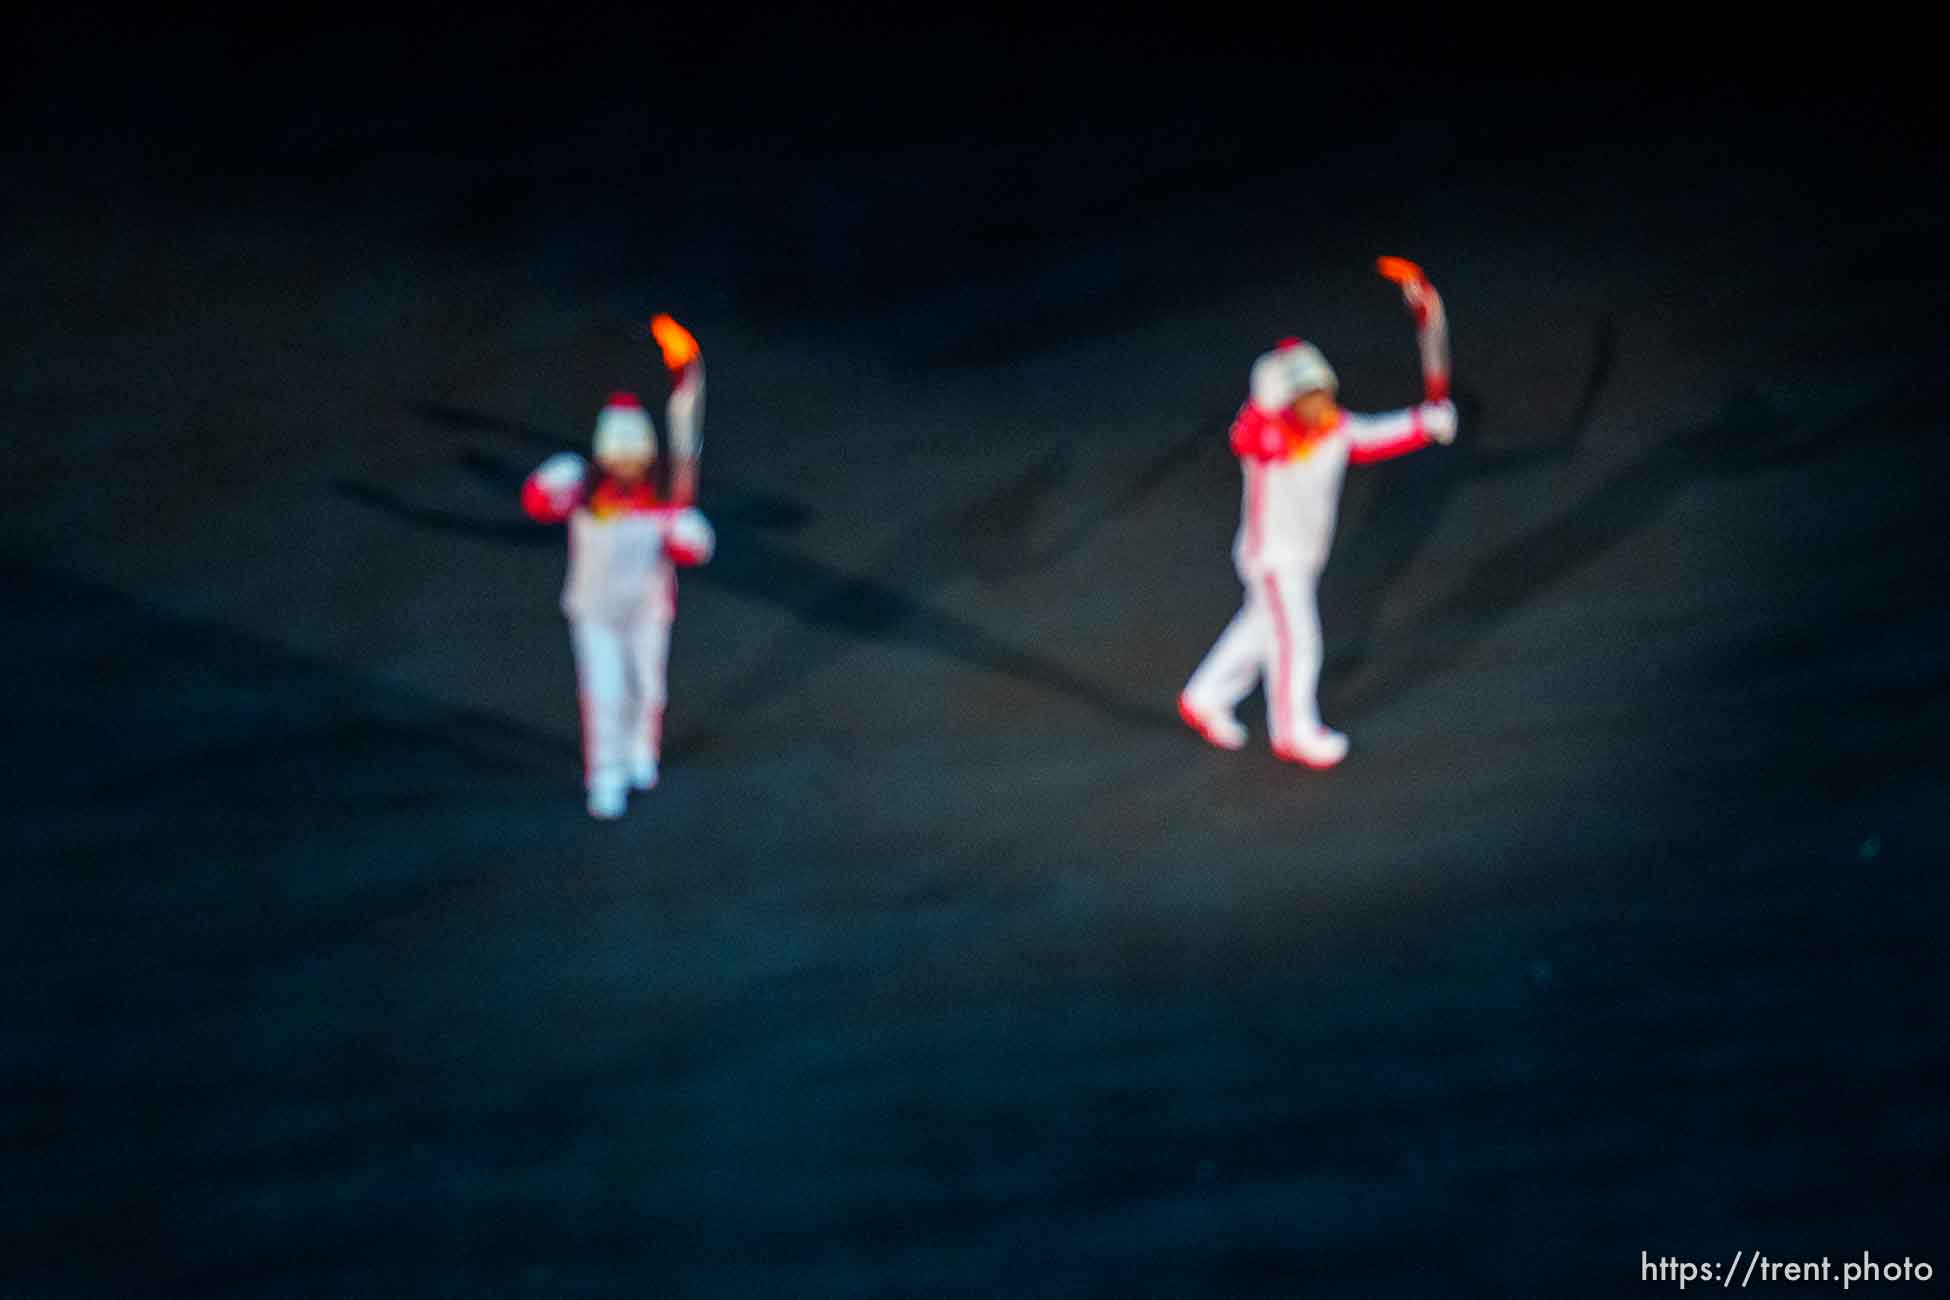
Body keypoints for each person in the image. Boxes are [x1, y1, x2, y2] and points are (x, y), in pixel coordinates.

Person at [1178, 337, 1457, 768]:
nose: (1320, 402)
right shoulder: (1261, 434)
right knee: (1298, 641)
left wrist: (1426, 422)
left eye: (1323, 392)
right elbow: (1250, 434)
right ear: (1285, 400)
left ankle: (1204, 696)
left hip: (1302, 558)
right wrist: (1274, 387)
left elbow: (1376, 434)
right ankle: (1292, 731)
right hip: (1273, 559)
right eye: (1308, 396)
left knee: (1258, 631)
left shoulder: (1336, 431)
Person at [523, 392, 716, 819]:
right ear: (606, 455)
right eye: (619, 455)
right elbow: (536, 506)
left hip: (647, 610)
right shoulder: (584, 492)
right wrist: (546, 480)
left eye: (635, 456)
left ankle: (640, 750)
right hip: (594, 612)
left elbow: (691, 553)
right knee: (605, 694)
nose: (627, 464)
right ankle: (605, 776)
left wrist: (694, 535)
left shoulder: (663, 496)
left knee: (648, 687)